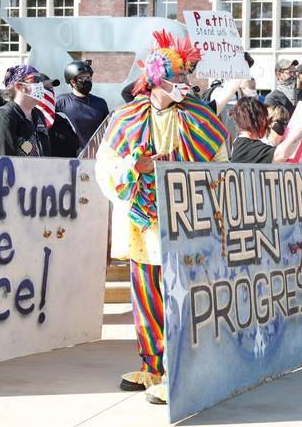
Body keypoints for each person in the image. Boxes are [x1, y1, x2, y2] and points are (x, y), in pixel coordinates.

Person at [94, 29, 229, 406]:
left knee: (181, 299)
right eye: (179, 77)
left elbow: (220, 168)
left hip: (186, 225)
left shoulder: (202, 117)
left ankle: (180, 371)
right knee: (147, 298)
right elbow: (104, 166)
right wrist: (133, 166)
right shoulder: (125, 118)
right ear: (156, 80)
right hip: (143, 226)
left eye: (188, 76)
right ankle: (152, 366)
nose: (186, 83)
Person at [0, 65, 58, 157]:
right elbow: (2, 162)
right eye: (35, 81)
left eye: (41, 82)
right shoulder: (3, 117)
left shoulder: (38, 115)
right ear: (19, 86)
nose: (40, 86)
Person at [230, 97, 302, 163]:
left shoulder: (241, 144)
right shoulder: (245, 146)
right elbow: (280, 155)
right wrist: (301, 128)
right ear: (260, 120)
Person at [56, 59, 110, 150]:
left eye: (88, 77)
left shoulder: (100, 103)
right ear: (72, 81)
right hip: (69, 157)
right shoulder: (61, 102)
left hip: (94, 156)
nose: (87, 80)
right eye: (83, 78)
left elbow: (108, 132)